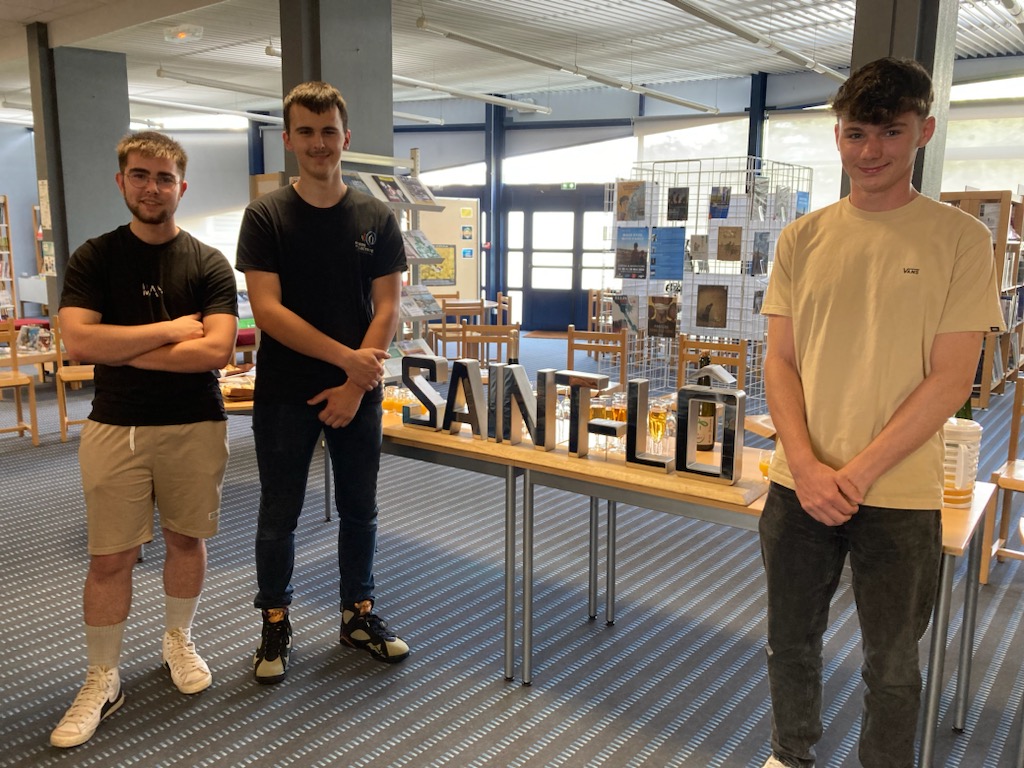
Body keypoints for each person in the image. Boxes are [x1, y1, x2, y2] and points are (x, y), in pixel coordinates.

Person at [758, 57, 1004, 768]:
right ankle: (789, 753)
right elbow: (780, 361)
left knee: (892, 663)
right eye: (856, 133)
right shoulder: (802, 238)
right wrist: (805, 466)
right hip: (798, 484)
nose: (870, 152)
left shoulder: (962, 240)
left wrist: (855, 473)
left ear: (923, 131)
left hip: (898, 492)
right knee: (789, 641)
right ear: (837, 136)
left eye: (890, 133)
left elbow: (950, 377)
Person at [51, 132, 238, 748]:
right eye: (140, 175)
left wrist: (123, 348)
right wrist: (164, 332)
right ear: (121, 182)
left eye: (164, 177)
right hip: (115, 427)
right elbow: (79, 344)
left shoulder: (209, 263)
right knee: (110, 557)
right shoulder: (94, 258)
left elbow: (214, 351)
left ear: (181, 186)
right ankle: (102, 677)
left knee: (187, 540)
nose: (151, 187)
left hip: (195, 424)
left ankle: (178, 639)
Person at [235, 81, 409, 685]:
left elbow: (387, 306)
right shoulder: (266, 216)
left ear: (345, 138)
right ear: (288, 140)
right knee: (279, 513)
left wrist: (357, 384)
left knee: (361, 510)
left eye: (328, 130)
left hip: (358, 391)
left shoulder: (375, 215)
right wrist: (350, 362)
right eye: (305, 132)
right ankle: (275, 622)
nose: (318, 143)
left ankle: (357, 614)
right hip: (286, 391)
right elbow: (269, 312)